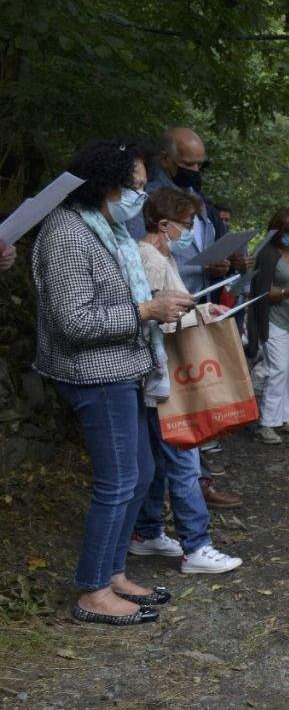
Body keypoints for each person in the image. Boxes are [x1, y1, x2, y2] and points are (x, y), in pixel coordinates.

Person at [32, 140, 193, 625]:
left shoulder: (106, 227)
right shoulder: (66, 233)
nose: (140, 198)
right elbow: (72, 322)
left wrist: (157, 306)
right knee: (118, 480)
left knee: (140, 475)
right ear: (104, 183)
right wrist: (146, 310)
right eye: (134, 187)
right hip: (94, 374)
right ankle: (92, 590)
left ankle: (114, 572)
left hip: (124, 369)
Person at [127, 188, 243, 574]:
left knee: (162, 460)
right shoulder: (149, 258)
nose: (191, 232)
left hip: (160, 375)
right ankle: (196, 546)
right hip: (164, 376)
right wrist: (195, 315)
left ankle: (147, 532)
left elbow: (174, 305)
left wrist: (199, 307)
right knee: (184, 458)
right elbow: (156, 317)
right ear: (164, 225)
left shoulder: (161, 255)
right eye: (187, 225)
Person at [126, 127, 241, 296]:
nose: (195, 170)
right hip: (166, 304)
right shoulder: (146, 199)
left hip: (200, 303)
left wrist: (218, 267)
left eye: (200, 164)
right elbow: (140, 254)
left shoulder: (198, 199)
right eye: (188, 164)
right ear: (165, 159)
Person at [247, 208, 289, 446]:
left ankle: (287, 418)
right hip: (277, 320)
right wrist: (287, 292)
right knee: (278, 370)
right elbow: (260, 293)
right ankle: (266, 423)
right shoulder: (267, 254)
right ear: (278, 230)